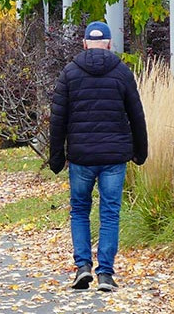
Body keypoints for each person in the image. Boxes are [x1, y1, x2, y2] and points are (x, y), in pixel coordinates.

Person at [49, 21, 147, 293]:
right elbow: (136, 115)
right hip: (114, 157)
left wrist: (56, 157)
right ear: (109, 44)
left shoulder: (69, 73)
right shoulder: (122, 72)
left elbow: (57, 120)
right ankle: (105, 273)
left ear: (84, 44)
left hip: (81, 157)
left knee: (80, 210)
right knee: (110, 212)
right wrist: (141, 151)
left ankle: (82, 267)